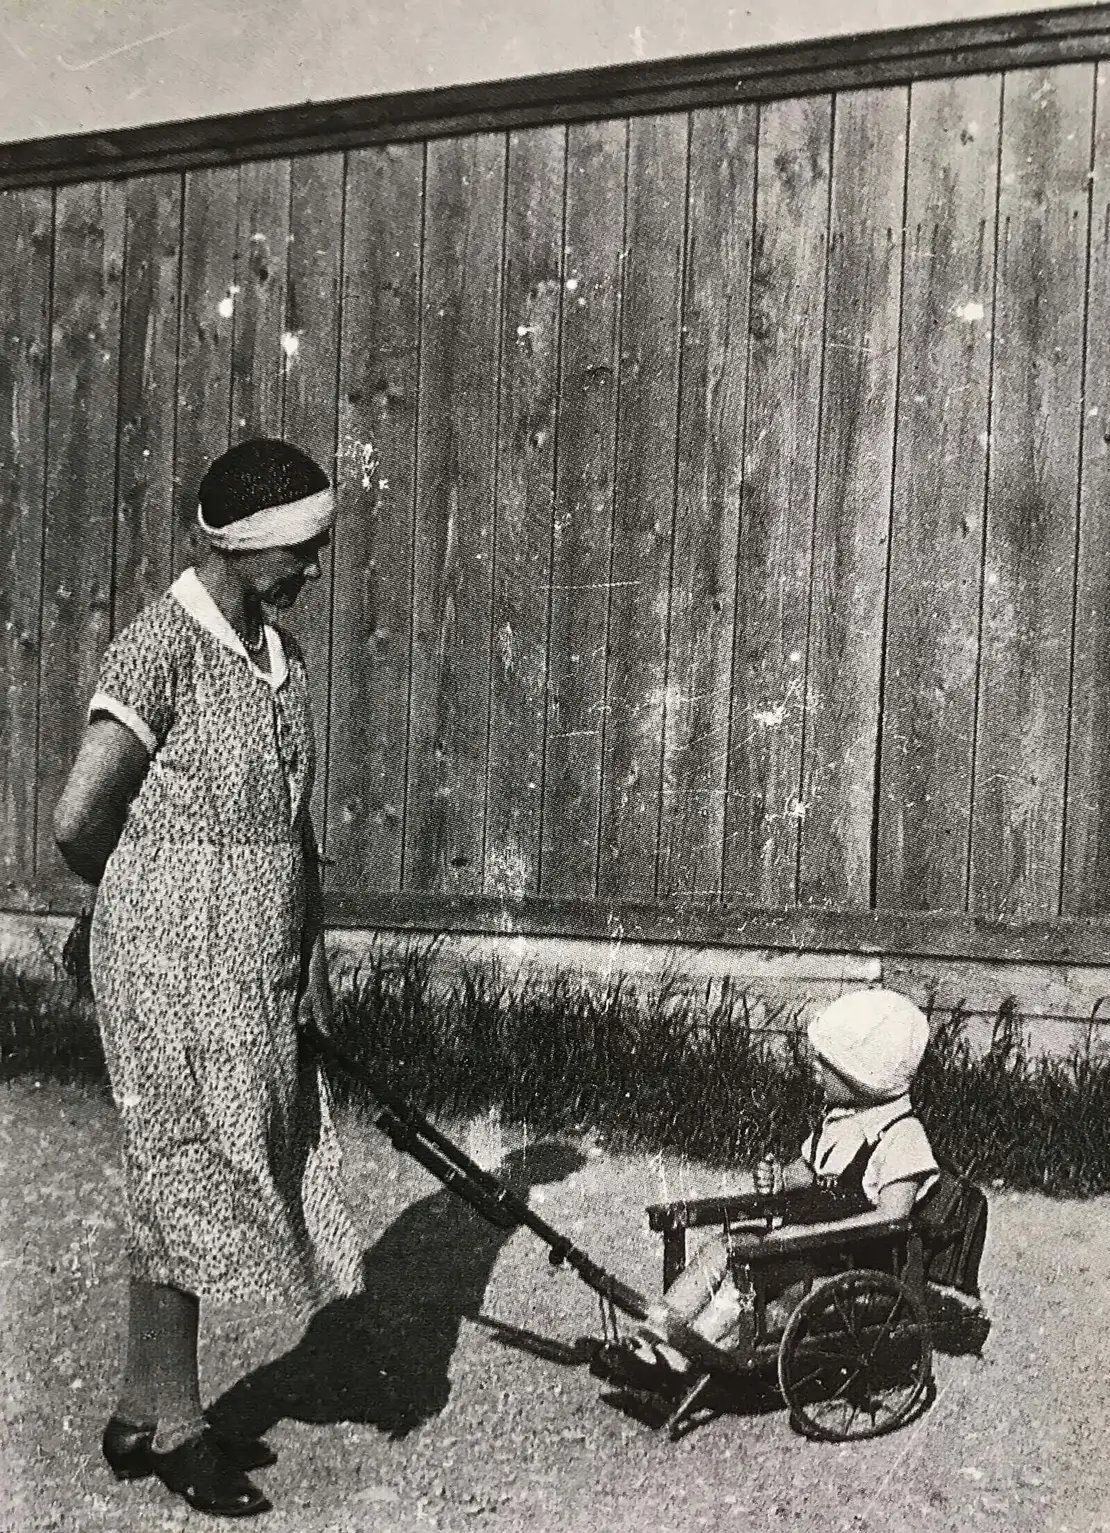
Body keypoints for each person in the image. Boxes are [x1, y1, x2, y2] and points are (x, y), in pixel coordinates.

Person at [53, 438, 365, 1519]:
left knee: (188, 1170)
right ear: (242, 548)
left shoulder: (280, 655)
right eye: (304, 552)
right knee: (186, 1170)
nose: (317, 570)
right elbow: (78, 819)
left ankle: (142, 1408)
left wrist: (307, 955)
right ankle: (181, 1431)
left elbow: (292, 820)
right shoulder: (159, 650)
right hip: (167, 963)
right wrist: (155, 900)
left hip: (254, 962)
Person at [596, 988, 939, 1388]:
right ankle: (655, 1331)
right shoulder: (840, 1120)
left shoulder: (902, 1136)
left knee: (747, 1280)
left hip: (846, 1262)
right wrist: (781, 1179)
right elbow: (811, 1172)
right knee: (722, 1248)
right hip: (802, 1246)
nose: (814, 1067)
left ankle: (682, 1355)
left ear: (862, 1077)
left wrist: (806, 1234)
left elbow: (893, 1216)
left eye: (826, 1063)